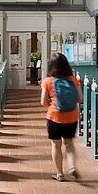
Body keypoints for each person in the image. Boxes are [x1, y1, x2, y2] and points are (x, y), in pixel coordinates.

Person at [40, 52, 83, 181]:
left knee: (56, 145)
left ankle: (60, 174)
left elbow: (43, 102)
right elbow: (79, 99)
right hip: (72, 117)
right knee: (69, 144)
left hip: (54, 117)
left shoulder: (47, 81)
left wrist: (52, 107)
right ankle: (72, 167)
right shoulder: (73, 79)